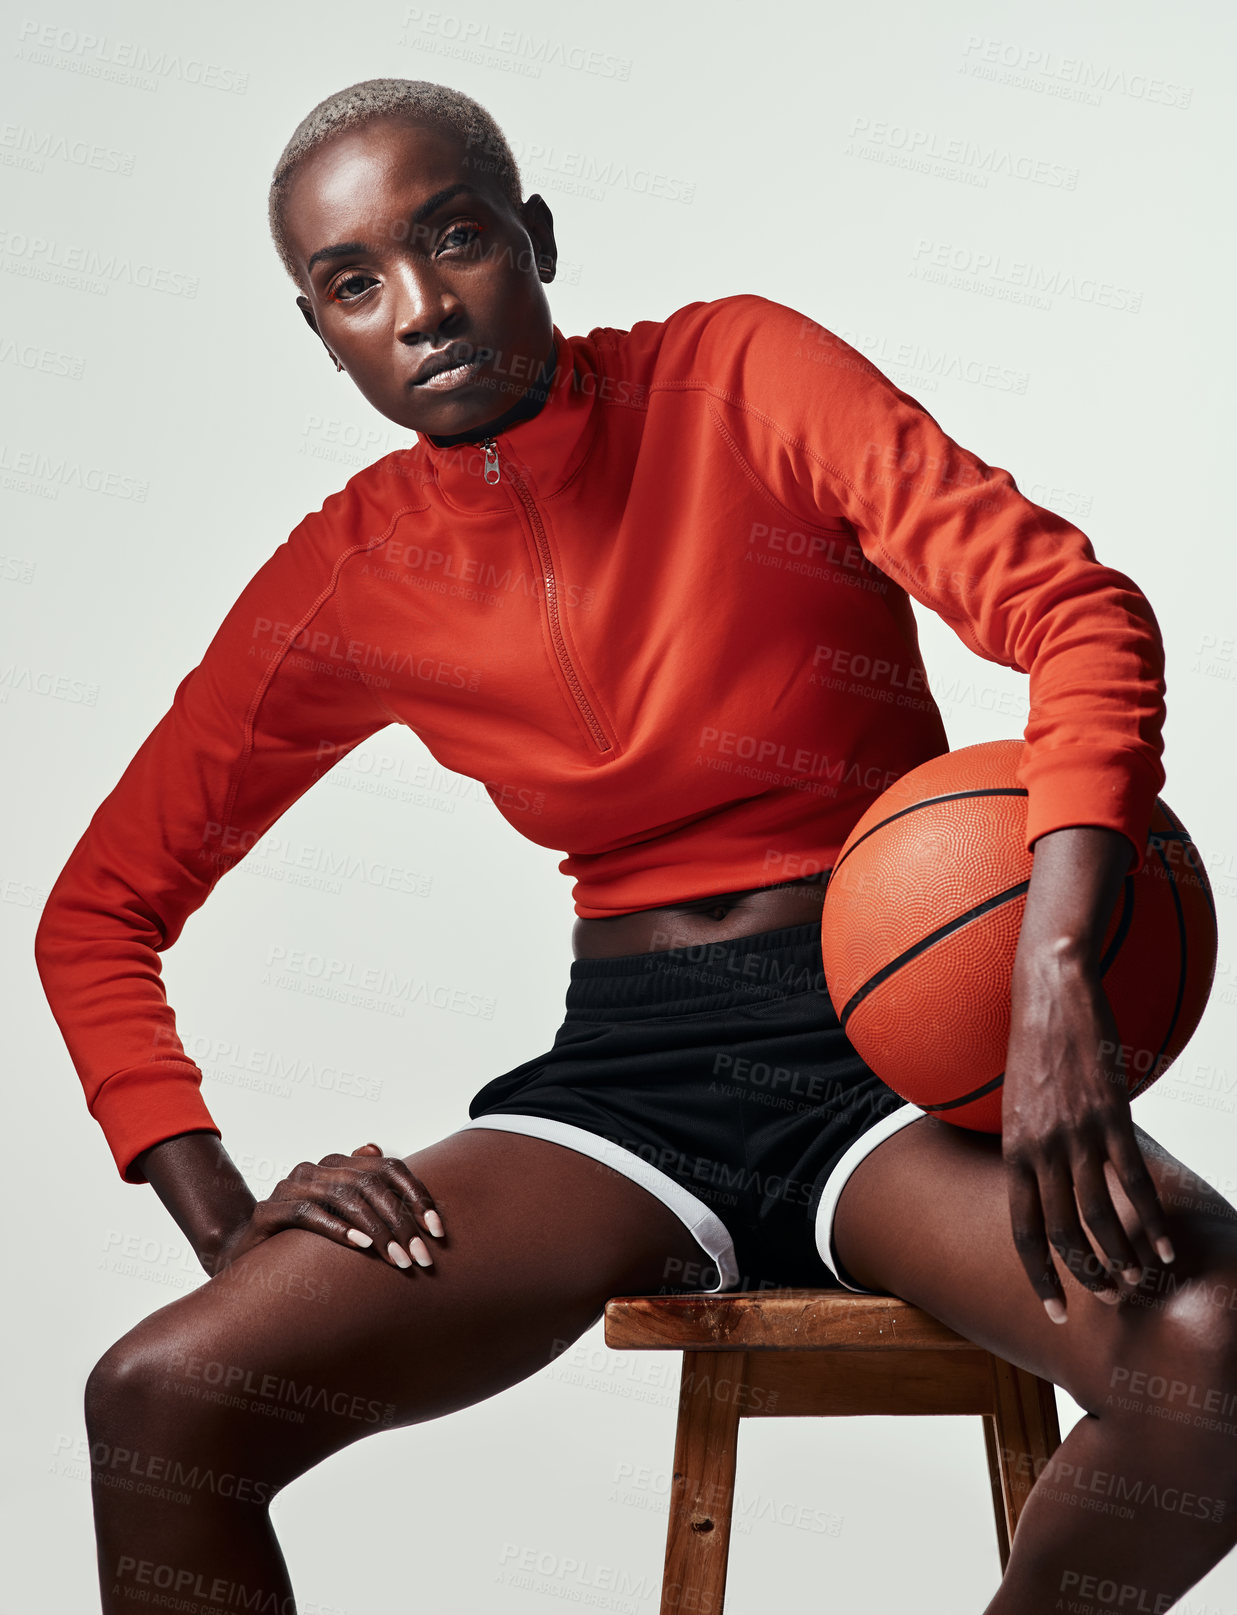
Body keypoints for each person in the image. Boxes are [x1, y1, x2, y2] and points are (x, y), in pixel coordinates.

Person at [34, 77, 1237, 1615]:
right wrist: (220, 1210)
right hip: (620, 1091)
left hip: (901, 1054)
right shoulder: (349, 571)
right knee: (157, 1404)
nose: (418, 308)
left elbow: (1072, 611)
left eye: (451, 238)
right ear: (320, 329)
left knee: (1211, 1349)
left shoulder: (742, 373)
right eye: (354, 284)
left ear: (530, 236)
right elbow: (97, 912)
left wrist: (1054, 967)